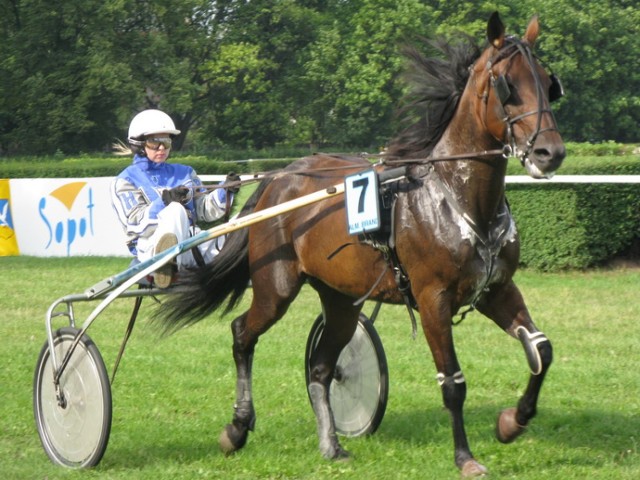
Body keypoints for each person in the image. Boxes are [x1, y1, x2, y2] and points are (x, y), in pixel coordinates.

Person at [111, 109, 240, 287]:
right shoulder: (125, 180)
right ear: (139, 144)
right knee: (175, 210)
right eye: (155, 142)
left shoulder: (185, 172)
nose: (162, 148)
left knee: (245, 220)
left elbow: (204, 211)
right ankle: (164, 265)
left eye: (166, 142)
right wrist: (164, 202)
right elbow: (135, 223)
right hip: (150, 248)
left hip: (191, 244)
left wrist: (225, 190)